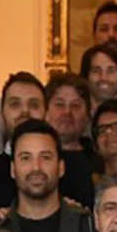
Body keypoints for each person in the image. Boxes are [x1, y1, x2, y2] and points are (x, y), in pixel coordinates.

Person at [0, 72, 51, 218]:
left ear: (47, 114)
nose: (25, 111)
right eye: (15, 104)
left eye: (34, 105)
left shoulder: (64, 169)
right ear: (1, 115)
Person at [45, 72, 99, 203]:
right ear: (45, 111)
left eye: (75, 105)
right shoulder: (34, 160)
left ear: (87, 115)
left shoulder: (100, 162)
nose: (67, 112)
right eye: (59, 104)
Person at [81, 42, 117, 107]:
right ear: (86, 78)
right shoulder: (74, 116)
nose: (104, 78)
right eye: (96, 71)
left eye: (111, 71)